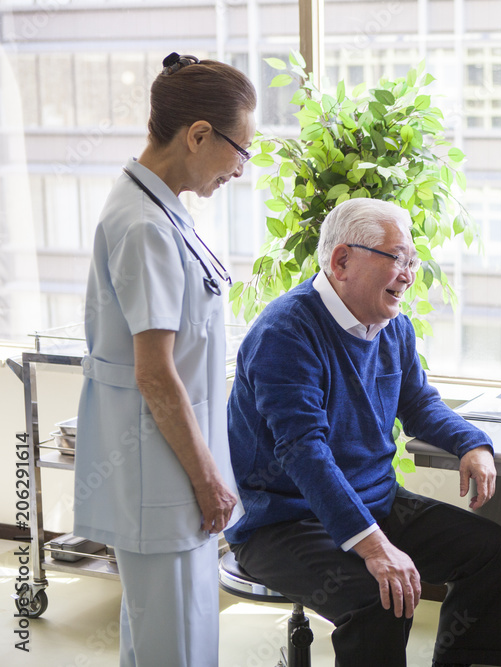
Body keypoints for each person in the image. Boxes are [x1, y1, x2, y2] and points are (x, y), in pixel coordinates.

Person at [225, 198, 501, 667]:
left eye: (413, 262)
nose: (408, 274)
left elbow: (418, 403)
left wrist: (471, 443)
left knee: (489, 549)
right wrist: (376, 547)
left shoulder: (391, 326)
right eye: (398, 258)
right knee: (381, 597)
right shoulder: (286, 332)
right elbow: (305, 453)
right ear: (342, 260)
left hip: (373, 501)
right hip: (282, 521)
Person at [73, 53, 256, 666]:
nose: (240, 168)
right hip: (163, 474)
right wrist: (207, 480)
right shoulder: (145, 225)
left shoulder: (162, 211)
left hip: (169, 466)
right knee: (174, 647)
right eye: (241, 150)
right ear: (198, 135)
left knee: (167, 637)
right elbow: (154, 371)